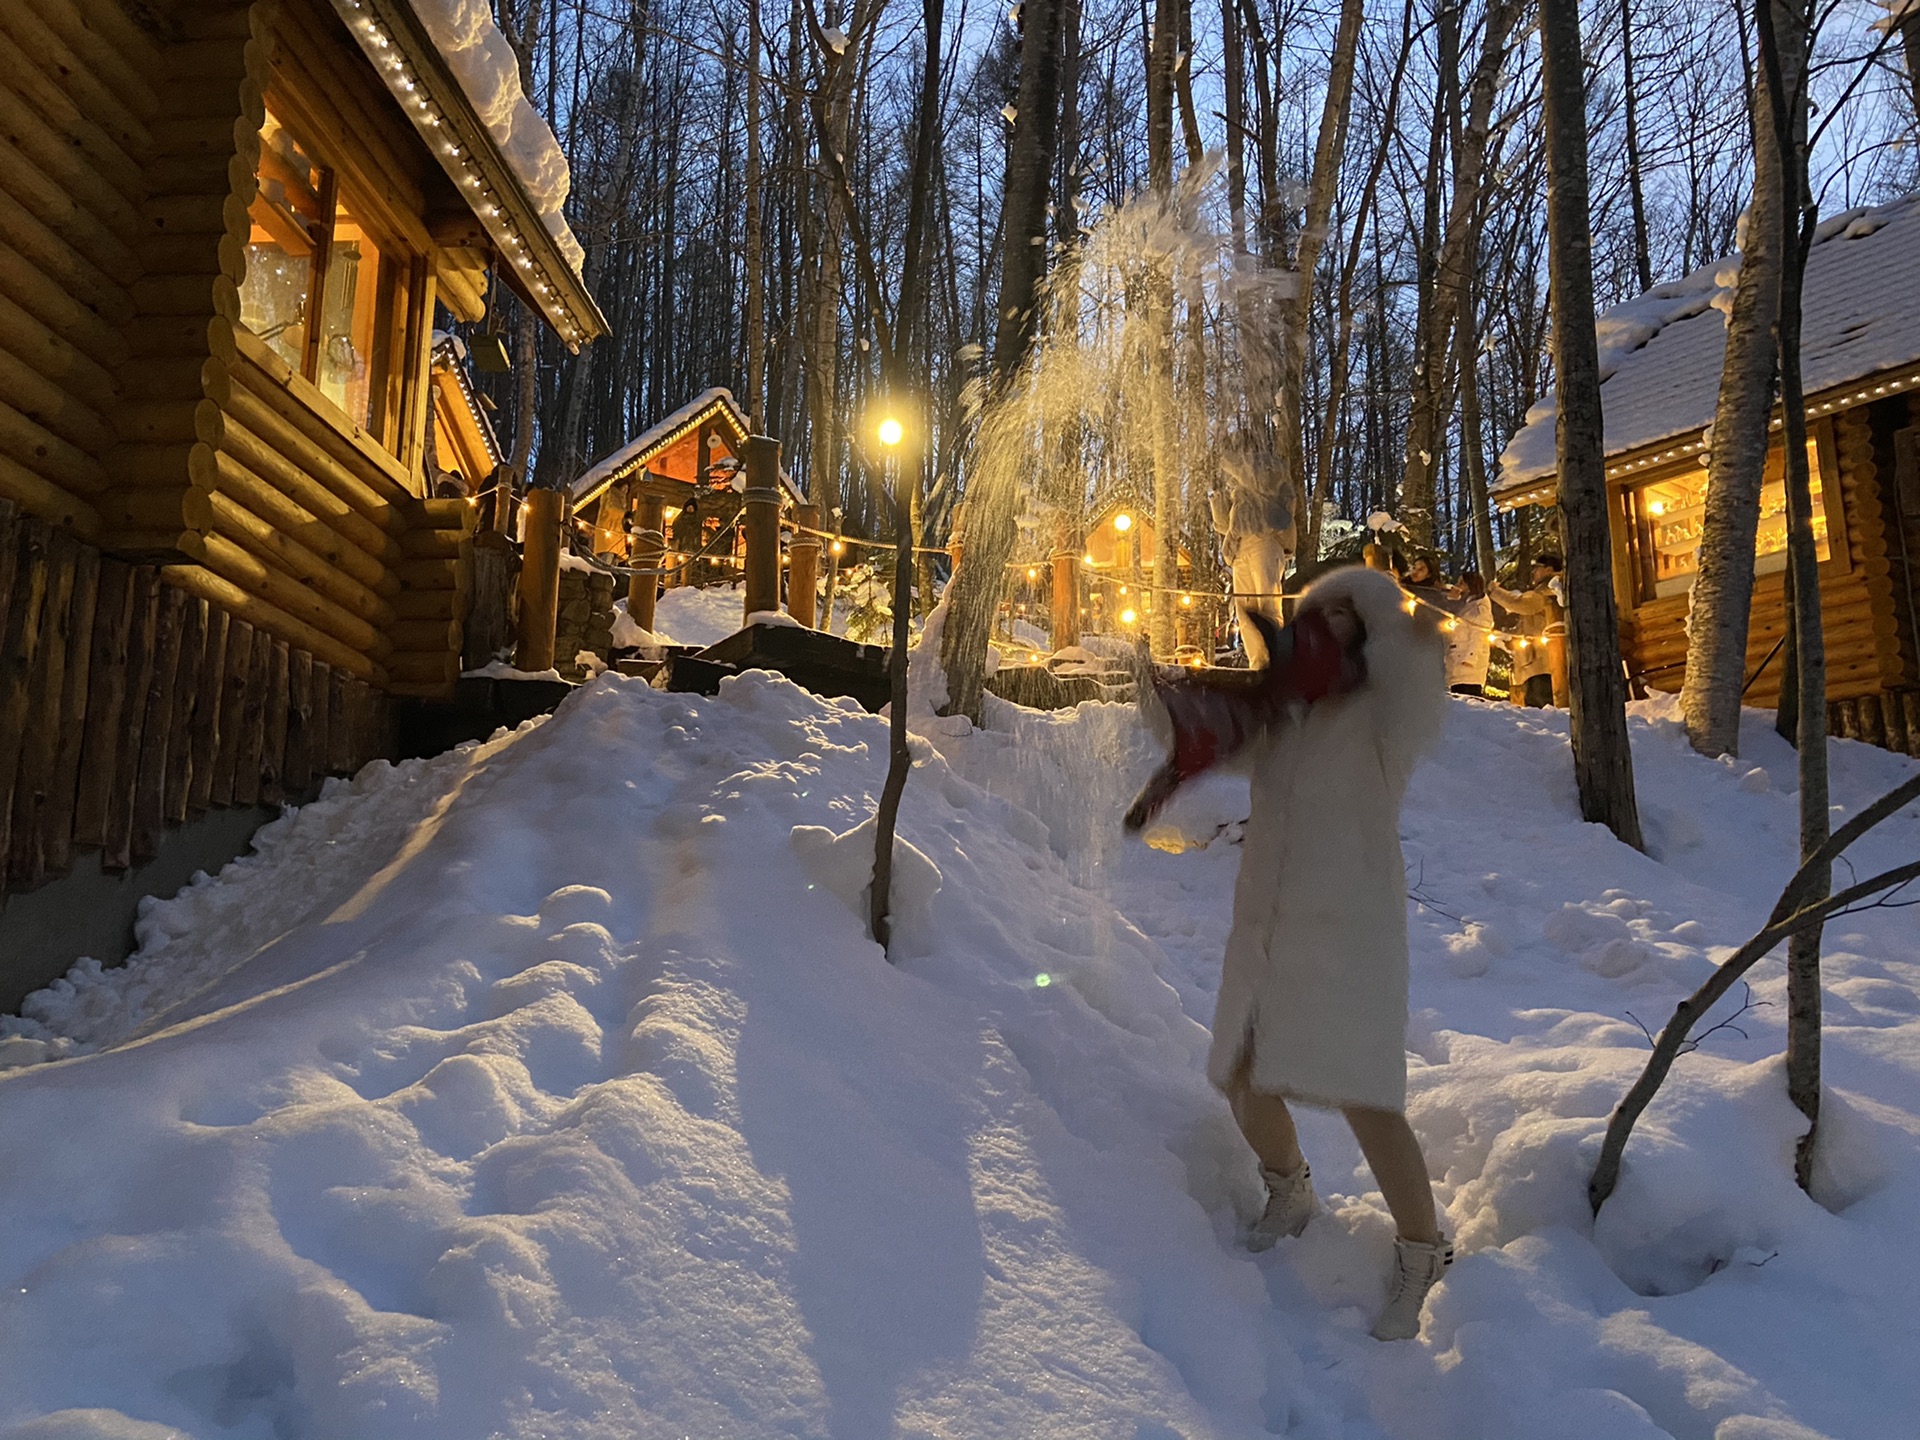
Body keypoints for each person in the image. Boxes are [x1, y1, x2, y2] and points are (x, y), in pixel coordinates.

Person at [1151, 566, 1452, 1341]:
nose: (1331, 623)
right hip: (1267, 929)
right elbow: (1208, 742)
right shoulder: (1283, 715)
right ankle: (1290, 1190)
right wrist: (1159, 697)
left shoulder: (1386, 717)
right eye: (1321, 611)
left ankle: (1424, 1248)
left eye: (1350, 612)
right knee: (1241, 1072)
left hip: (1350, 933)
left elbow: (1421, 687)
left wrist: (1410, 639)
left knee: (1368, 1097)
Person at [1490, 553, 1562, 707]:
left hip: (1542, 664)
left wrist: (1495, 591)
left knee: (1542, 708)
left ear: (1549, 570)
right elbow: (1528, 624)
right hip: (1536, 663)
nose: (1533, 572)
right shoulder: (1546, 592)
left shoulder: (1546, 592)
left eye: (1537, 568)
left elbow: (1518, 603)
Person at [1444, 571, 1493, 696]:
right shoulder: (1467, 607)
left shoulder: (1479, 609)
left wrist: (1470, 658)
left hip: (1468, 669)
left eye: (1461, 583)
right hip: (1458, 666)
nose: (1457, 586)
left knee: (1468, 703)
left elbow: (1479, 635)